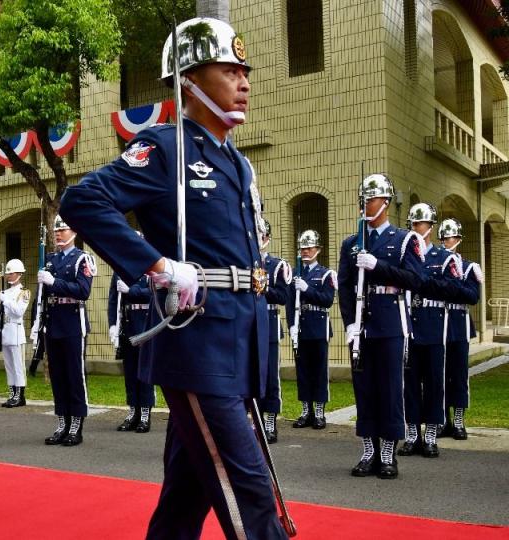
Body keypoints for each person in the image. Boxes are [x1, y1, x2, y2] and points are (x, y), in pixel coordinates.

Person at [60, 17, 288, 537]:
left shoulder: (237, 163)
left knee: (185, 498)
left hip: (238, 343)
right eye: (229, 69)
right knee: (249, 492)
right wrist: (157, 267)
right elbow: (84, 200)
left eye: (244, 70)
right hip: (199, 346)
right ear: (188, 78)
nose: (244, 81)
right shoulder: (166, 148)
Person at [338, 175, 465, 480]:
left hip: (391, 323)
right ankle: (368, 450)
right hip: (363, 325)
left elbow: (416, 280)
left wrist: (377, 267)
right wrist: (351, 324)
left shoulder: (402, 239)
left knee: (391, 389)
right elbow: (343, 287)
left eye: (371, 199)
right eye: (363, 199)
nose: (366, 204)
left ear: (384, 202)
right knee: (364, 390)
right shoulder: (351, 243)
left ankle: (387, 454)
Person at [31, 215, 95, 446]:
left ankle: (76, 424)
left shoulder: (82, 259)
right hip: (53, 321)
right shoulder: (50, 260)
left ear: (74, 232)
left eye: (63, 230)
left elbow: (83, 291)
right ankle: (62, 422)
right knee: (58, 376)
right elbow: (41, 297)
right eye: (56, 230)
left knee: (74, 375)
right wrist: (36, 324)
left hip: (72, 322)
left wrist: (53, 282)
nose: (58, 234)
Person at [400, 203, 452, 458]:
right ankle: (412, 435)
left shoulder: (443, 258)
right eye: (412, 224)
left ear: (430, 226)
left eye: (420, 224)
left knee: (433, 383)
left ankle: (430, 435)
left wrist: (425, 283)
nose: (416, 228)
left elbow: (450, 289)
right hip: (409, 327)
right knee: (409, 384)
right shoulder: (405, 254)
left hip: (433, 326)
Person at [285, 229, 335, 430]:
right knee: (303, 371)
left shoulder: (326, 274)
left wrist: (307, 289)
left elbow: (328, 300)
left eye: (309, 248)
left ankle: (320, 413)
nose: (305, 251)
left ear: (318, 249)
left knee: (319, 371)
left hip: (318, 327)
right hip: (301, 328)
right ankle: (306, 411)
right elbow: (289, 303)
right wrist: (291, 326)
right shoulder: (294, 274)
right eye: (303, 248)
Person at [438, 218, 481, 441]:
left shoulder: (469, 267)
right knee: (441, 375)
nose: (447, 241)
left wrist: (454, 286)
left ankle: (459, 421)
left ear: (459, 239)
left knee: (459, 375)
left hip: (460, 324)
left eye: (451, 237)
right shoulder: (437, 266)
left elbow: (473, 296)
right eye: (444, 238)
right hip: (441, 324)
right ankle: (443, 420)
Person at [108, 263, 154, 433]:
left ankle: (145, 413)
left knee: (144, 372)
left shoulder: (150, 268)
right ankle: (133, 410)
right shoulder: (119, 270)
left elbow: (154, 293)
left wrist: (131, 291)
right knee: (130, 371)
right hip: (127, 323)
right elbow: (113, 299)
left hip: (145, 324)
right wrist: (112, 324)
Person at [258, 219, 291, 443]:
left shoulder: (277, 265)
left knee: (270, 375)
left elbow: (283, 296)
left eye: (262, 235)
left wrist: (264, 287)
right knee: (251, 375)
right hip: (248, 323)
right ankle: (256, 420)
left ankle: (270, 421)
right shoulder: (242, 262)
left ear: (267, 238)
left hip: (268, 321)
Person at [0, 259, 30, 408]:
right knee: (8, 365)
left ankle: (20, 395)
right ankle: (12, 392)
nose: (8, 276)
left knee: (18, 365)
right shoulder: (5, 292)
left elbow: (18, 312)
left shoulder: (24, 292)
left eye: (11, 273)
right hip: (5, 331)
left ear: (19, 274)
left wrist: (6, 300)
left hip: (16, 332)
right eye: (7, 273)